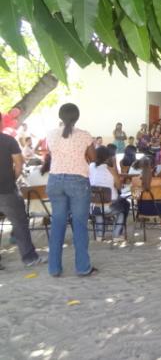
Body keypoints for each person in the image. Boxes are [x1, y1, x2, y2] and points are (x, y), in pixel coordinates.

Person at [46, 103, 97, 277]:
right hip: (78, 181)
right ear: (77, 117)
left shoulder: (50, 134)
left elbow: (53, 154)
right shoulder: (84, 135)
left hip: (55, 180)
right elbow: (93, 157)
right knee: (80, 224)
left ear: (60, 116)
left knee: (58, 224)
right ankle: (82, 267)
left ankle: (54, 268)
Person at [0, 113, 46, 269]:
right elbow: (19, 163)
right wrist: (11, 178)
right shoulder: (8, 140)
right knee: (19, 223)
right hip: (6, 189)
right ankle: (29, 257)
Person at [89, 146, 129, 239]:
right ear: (108, 157)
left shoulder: (90, 166)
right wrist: (114, 167)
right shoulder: (110, 169)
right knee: (125, 206)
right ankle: (117, 234)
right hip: (109, 206)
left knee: (99, 205)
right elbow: (119, 187)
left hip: (92, 207)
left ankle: (99, 235)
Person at [132, 158, 161, 240]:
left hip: (142, 209)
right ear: (153, 167)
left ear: (140, 167)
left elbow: (135, 197)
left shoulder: (135, 181)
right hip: (159, 210)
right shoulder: (159, 181)